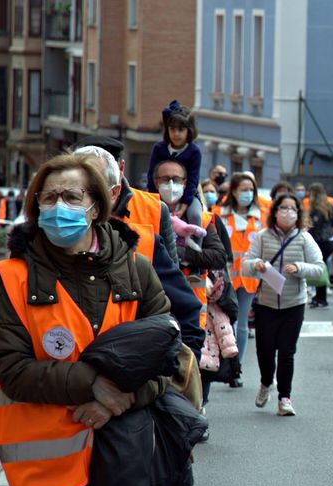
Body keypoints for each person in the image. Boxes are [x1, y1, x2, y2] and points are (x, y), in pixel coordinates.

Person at [0, 153, 172, 486]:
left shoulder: (137, 270)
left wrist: (118, 400)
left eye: (72, 197)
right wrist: (94, 385)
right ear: (36, 207)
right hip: (47, 470)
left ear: (97, 207)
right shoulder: (13, 279)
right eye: (49, 197)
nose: (60, 206)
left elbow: (167, 356)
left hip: (123, 457)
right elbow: (11, 369)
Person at [73, 144, 206, 360]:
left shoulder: (145, 239)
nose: (77, 200)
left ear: (112, 193)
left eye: (89, 189)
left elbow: (181, 307)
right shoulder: (37, 247)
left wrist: (176, 375)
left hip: (131, 376)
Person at [243, 193, 325, 416]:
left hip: (294, 303)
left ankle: (285, 398)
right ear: (275, 211)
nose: (288, 212)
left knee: (287, 351)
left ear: (298, 214)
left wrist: (299, 267)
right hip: (266, 303)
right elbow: (244, 265)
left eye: (292, 209)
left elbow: (319, 267)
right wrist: (256, 265)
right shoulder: (262, 236)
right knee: (265, 350)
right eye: (283, 208)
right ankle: (265, 382)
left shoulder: (304, 238)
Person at [73, 135, 179, 263]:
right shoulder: (64, 209)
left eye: (101, 175)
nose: (96, 185)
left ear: (121, 168)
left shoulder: (156, 209)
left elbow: (171, 274)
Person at [152, 159, 228, 327]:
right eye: (165, 179)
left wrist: (181, 253)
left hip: (191, 308)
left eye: (176, 179)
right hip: (155, 305)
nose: (171, 184)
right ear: (156, 183)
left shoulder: (202, 219)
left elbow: (219, 257)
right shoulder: (144, 215)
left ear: (185, 183)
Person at [216, 173, 266, 385]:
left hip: (249, 278)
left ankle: (236, 369)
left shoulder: (261, 215)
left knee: (242, 324)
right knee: (226, 323)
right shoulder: (219, 213)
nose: (247, 193)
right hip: (224, 279)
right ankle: (224, 365)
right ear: (234, 191)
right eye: (243, 189)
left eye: (251, 190)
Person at [146, 100, 205, 252]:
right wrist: (154, 198)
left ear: (189, 131)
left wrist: (184, 206)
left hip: (187, 194)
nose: (176, 134)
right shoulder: (159, 148)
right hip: (160, 193)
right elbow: (151, 176)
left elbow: (193, 180)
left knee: (195, 215)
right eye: (172, 129)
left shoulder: (194, 151)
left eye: (181, 130)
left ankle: (195, 251)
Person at [307, 183, 333, 308]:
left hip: (319, 241)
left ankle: (321, 297)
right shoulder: (328, 206)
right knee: (322, 268)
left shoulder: (316, 209)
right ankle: (320, 296)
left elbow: (315, 227)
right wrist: (331, 226)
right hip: (327, 241)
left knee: (319, 269)